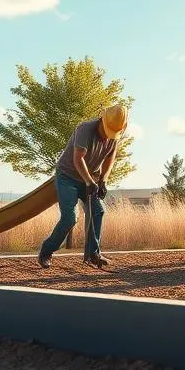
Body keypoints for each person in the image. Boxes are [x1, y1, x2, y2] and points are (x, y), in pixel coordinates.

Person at [37, 104, 128, 269]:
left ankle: (93, 254)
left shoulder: (114, 138)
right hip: (68, 177)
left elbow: (110, 159)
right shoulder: (85, 129)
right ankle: (46, 251)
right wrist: (89, 181)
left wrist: (103, 181)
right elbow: (78, 159)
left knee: (98, 211)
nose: (108, 136)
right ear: (102, 120)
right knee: (70, 218)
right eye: (107, 131)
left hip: (90, 179)